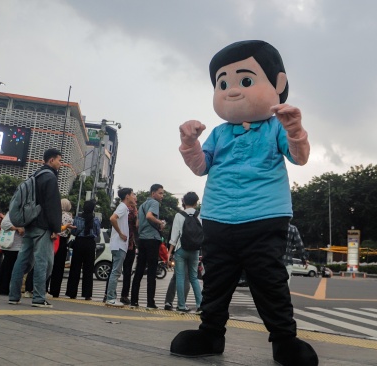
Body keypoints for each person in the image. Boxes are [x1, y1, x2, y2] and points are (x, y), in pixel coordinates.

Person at [171, 40, 317, 366]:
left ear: (277, 84)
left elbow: (300, 158)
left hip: (265, 216)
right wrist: (189, 142)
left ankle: (284, 340)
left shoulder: (274, 127)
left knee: (268, 280)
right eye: (223, 84)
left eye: (245, 81)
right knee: (217, 279)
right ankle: (210, 333)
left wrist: (294, 130)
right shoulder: (220, 133)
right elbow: (200, 166)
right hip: (219, 217)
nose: (232, 91)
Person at [8, 148, 63, 308]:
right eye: (59, 160)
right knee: (42, 261)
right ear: (51, 160)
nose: (61, 164)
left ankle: (13, 295)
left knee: (22, 260)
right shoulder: (50, 177)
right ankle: (38, 297)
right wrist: (55, 227)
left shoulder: (35, 175)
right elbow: (52, 205)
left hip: (29, 223)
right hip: (42, 225)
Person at [131, 184, 166, 309]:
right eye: (160, 193)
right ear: (153, 193)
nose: (162, 196)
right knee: (151, 271)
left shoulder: (141, 206)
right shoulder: (154, 204)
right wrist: (160, 223)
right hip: (152, 239)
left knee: (139, 270)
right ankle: (150, 302)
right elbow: (149, 216)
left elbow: (138, 224)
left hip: (142, 240)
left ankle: (134, 300)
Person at [169, 192, 203, 313]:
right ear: (196, 202)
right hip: (195, 250)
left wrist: (169, 253)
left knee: (180, 277)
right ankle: (200, 304)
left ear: (184, 202)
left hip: (181, 250)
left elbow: (174, 236)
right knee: (194, 278)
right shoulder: (200, 215)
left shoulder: (179, 215)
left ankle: (181, 305)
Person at [105, 187, 136, 307]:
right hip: (119, 245)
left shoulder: (125, 208)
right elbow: (112, 218)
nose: (134, 197)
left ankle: (112, 297)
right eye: (133, 194)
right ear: (127, 196)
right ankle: (111, 298)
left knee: (116, 271)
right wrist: (120, 233)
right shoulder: (123, 207)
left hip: (119, 245)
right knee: (116, 272)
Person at [66, 200, 100, 300]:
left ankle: (72, 293)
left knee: (75, 268)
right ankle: (87, 294)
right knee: (88, 269)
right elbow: (97, 233)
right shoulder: (96, 220)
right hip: (90, 243)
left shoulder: (77, 218)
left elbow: (74, 231)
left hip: (79, 243)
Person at [48, 199, 74, 297]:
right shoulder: (69, 217)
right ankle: (55, 290)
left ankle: (45, 288)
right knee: (59, 268)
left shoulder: (55, 214)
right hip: (63, 242)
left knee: (49, 264)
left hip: (53, 240)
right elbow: (70, 231)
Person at [0, 213, 24, 295]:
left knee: (6, 266)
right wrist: (17, 228)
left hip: (14, 244)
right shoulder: (13, 213)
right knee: (9, 267)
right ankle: (4, 288)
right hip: (13, 245)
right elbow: (4, 224)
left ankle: (0, 287)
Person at [119, 199, 139, 305]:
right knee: (127, 271)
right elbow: (137, 226)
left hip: (123, 243)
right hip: (129, 244)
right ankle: (124, 296)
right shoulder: (132, 212)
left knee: (116, 269)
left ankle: (107, 294)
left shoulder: (122, 209)